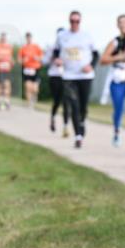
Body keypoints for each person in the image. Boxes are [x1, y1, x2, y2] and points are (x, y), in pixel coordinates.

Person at [53, 12, 98, 148]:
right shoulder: (62, 36)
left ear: (80, 22)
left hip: (85, 76)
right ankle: (78, 136)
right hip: (69, 76)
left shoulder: (87, 36)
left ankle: (82, 121)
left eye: (77, 21)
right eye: (72, 21)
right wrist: (57, 59)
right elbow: (56, 51)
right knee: (74, 105)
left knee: (83, 106)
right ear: (69, 21)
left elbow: (96, 54)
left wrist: (91, 66)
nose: (74, 23)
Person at [99, 14, 125, 148]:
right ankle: (116, 131)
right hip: (117, 79)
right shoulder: (115, 42)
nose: (123, 24)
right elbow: (103, 60)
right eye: (121, 22)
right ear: (117, 25)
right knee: (118, 108)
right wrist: (119, 57)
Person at [46, 28, 70, 136]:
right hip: (54, 76)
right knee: (57, 100)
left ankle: (65, 126)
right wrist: (53, 58)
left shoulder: (68, 47)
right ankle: (53, 118)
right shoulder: (52, 47)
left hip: (66, 76)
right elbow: (44, 61)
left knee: (66, 101)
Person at [18, 32, 44, 109]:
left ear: (31, 38)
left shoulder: (36, 47)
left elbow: (42, 57)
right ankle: (29, 104)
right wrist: (23, 60)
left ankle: (34, 97)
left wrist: (37, 58)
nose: (28, 39)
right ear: (26, 38)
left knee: (35, 89)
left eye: (29, 37)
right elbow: (19, 60)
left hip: (35, 69)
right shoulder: (23, 48)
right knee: (28, 87)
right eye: (27, 38)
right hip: (27, 69)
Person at [0, 32, 15, 110]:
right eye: (2, 37)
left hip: (7, 69)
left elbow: (11, 58)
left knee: (7, 85)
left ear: (6, 39)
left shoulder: (9, 47)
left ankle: (7, 101)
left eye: (4, 38)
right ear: (0, 38)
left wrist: (12, 62)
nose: (3, 39)